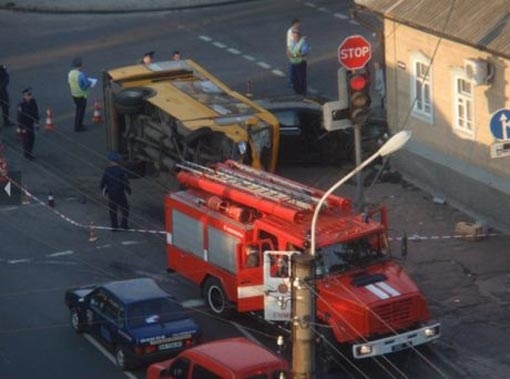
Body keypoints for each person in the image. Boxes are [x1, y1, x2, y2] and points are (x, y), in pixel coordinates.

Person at [100, 152, 131, 231]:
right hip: (120, 192)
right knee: (125, 209)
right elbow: (125, 182)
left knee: (113, 210)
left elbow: (103, 181)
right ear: (118, 161)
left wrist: (102, 188)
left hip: (111, 193)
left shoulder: (107, 170)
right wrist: (128, 190)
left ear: (110, 161)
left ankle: (114, 227)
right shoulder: (121, 171)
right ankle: (124, 225)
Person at [68, 56, 91, 132]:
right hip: (81, 95)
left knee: (78, 109)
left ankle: (78, 125)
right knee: (81, 111)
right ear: (80, 65)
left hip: (74, 95)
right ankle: (78, 126)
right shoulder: (81, 74)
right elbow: (86, 84)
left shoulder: (70, 73)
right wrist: (90, 82)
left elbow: (69, 83)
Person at [16, 87, 40, 160]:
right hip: (24, 125)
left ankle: (29, 152)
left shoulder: (33, 102)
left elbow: (36, 112)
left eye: (30, 94)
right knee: (26, 140)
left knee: (32, 138)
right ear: (24, 96)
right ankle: (27, 154)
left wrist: (37, 122)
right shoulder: (21, 105)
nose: (30, 96)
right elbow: (19, 118)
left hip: (30, 123)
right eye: (28, 95)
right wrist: (20, 128)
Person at [287, 29, 310, 95]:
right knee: (293, 79)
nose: (295, 37)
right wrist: (289, 55)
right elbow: (289, 50)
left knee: (301, 80)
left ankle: (302, 93)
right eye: (294, 36)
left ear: (299, 36)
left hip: (300, 64)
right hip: (293, 63)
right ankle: (297, 92)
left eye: (296, 36)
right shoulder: (292, 42)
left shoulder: (303, 42)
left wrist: (296, 55)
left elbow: (305, 52)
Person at [286, 18, 300, 87]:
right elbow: (296, 40)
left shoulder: (289, 30)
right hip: (294, 49)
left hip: (289, 48)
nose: (299, 25)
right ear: (295, 23)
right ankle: (293, 80)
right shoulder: (295, 30)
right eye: (298, 23)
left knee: (293, 64)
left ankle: (292, 79)